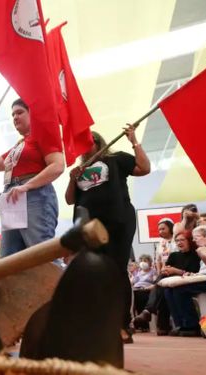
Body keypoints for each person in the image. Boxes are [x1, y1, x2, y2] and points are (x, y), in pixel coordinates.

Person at [65, 126, 150, 343]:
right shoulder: (79, 168)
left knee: (117, 269)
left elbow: (144, 168)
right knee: (94, 272)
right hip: (89, 226)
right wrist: (72, 179)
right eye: (80, 143)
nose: (85, 146)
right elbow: (70, 200)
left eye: (88, 141)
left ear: (98, 142)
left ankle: (122, 325)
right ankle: (99, 323)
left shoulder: (116, 159)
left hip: (118, 220)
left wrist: (134, 141)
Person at [0, 98, 64, 257]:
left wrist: (27, 186)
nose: (15, 117)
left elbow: (58, 165)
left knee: (41, 257)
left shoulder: (43, 134)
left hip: (34, 195)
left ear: (33, 114)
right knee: (8, 260)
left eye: (20, 112)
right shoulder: (19, 146)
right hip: (13, 198)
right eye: (12, 115)